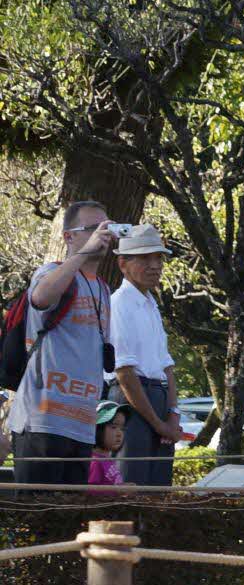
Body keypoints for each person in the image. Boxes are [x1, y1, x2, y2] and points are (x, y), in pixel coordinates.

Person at [8, 200, 117, 485]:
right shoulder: (50, 272)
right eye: (94, 228)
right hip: (43, 421)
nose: (102, 235)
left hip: (81, 425)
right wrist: (82, 254)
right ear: (69, 236)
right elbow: (41, 298)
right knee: (39, 515)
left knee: (69, 519)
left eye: (107, 227)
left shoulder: (103, 288)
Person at [108, 225, 185, 487]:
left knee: (159, 488)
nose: (154, 265)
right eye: (144, 258)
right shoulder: (119, 303)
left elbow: (166, 365)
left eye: (158, 258)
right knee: (130, 486)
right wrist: (158, 423)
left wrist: (173, 413)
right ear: (123, 264)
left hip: (158, 399)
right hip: (131, 403)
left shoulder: (151, 304)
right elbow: (125, 373)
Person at [88, 401, 127, 488]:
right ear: (97, 429)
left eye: (122, 428)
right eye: (113, 427)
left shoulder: (107, 459)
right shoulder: (95, 462)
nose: (119, 433)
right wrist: (118, 491)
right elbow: (90, 492)